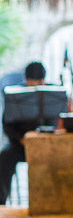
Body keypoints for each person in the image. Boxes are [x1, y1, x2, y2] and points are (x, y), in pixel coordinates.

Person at [0, 62, 47, 205]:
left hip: (46, 145)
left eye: (38, 82)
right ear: (26, 79)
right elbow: (7, 124)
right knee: (4, 157)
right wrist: (20, 139)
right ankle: (1, 201)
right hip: (21, 145)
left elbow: (69, 111)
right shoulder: (15, 94)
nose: (34, 85)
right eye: (31, 81)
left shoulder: (53, 92)